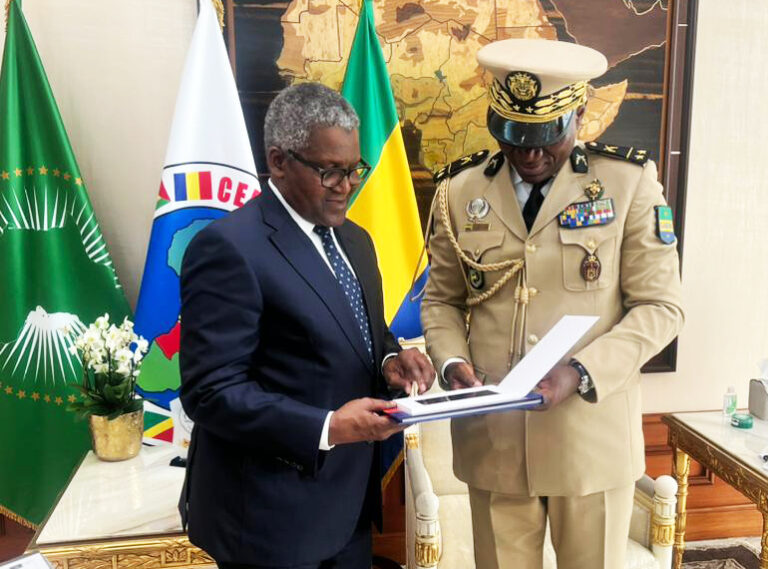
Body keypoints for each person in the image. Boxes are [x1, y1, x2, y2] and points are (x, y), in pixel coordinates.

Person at [421, 39, 684, 569]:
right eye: (514, 136)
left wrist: (582, 372)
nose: (530, 154)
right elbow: (442, 300)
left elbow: (661, 307)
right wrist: (451, 362)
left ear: (580, 113)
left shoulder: (629, 183)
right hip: (493, 442)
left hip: (588, 440)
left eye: (546, 136)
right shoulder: (458, 188)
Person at [178, 82, 435, 569]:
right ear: (278, 161)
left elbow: (364, 332)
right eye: (329, 172)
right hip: (268, 520)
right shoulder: (229, 248)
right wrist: (329, 427)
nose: (347, 185)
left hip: (350, 505)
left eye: (354, 170)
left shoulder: (355, 240)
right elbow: (211, 391)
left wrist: (390, 358)